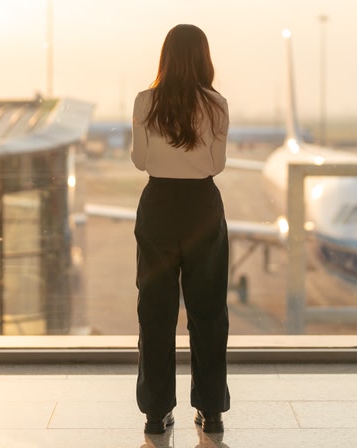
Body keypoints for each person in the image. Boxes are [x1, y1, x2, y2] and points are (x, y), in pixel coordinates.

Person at [130, 24, 231, 435]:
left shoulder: (144, 101)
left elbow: (140, 160)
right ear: (204, 57)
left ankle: (156, 413)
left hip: (158, 206)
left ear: (165, 57)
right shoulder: (216, 104)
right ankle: (211, 411)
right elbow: (217, 164)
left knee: (155, 311)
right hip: (202, 207)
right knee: (207, 312)